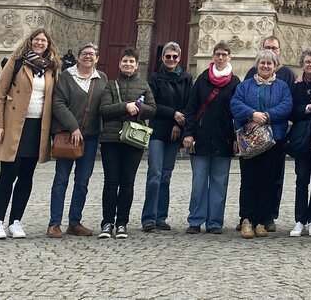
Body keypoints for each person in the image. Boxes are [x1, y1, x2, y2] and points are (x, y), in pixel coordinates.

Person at [0, 28, 57, 240]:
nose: (40, 43)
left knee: (27, 177)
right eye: (37, 39)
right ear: (30, 41)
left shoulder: (52, 68)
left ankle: (16, 221)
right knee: (8, 175)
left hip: (37, 128)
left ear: (48, 44)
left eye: (43, 41)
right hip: (14, 125)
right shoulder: (16, 62)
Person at [47, 43, 106, 238]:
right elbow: (58, 103)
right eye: (84, 54)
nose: (88, 57)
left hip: (90, 138)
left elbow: (105, 105)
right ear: (78, 57)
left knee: (82, 181)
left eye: (92, 54)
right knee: (61, 180)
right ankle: (54, 223)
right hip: (67, 136)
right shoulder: (67, 76)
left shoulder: (102, 78)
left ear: (97, 58)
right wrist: (73, 127)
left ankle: (75, 222)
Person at [232, 49, 293, 237]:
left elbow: (286, 105)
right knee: (248, 180)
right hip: (250, 141)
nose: (265, 66)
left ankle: (262, 221)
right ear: (256, 66)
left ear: (275, 66)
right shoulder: (245, 85)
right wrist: (252, 114)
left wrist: (266, 116)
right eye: (262, 63)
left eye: (269, 63)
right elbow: (235, 103)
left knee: (267, 180)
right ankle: (247, 219)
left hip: (273, 140)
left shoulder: (282, 86)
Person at [181, 43, 239, 233]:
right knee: (199, 181)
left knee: (219, 182)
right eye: (217, 54)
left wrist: (237, 137)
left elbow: (237, 112)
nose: (220, 58)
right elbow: (191, 108)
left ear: (229, 57)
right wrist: (188, 133)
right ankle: (195, 220)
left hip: (224, 139)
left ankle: (215, 222)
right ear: (213, 57)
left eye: (224, 55)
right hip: (201, 137)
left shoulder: (235, 82)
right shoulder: (202, 79)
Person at [98, 47, 156, 238]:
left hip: (134, 139)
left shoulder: (144, 85)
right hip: (111, 139)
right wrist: (125, 106)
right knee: (110, 182)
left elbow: (152, 109)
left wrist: (138, 108)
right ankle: (107, 223)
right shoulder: (110, 85)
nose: (128, 64)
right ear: (119, 64)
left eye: (131, 61)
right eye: (125, 61)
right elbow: (104, 110)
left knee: (128, 182)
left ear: (137, 65)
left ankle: (122, 223)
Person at [139, 41, 191, 233]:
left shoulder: (186, 78)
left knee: (166, 176)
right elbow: (152, 105)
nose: (171, 60)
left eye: (174, 57)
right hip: (158, 131)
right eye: (167, 57)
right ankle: (148, 218)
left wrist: (179, 124)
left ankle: (161, 217)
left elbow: (189, 103)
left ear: (179, 58)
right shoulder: (155, 78)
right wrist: (173, 114)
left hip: (175, 132)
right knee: (155, 174)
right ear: (162, 58)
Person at [288, 48, 311, 237]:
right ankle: (300, 220)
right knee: (301, 180)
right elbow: (291, 111)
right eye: (308, 61)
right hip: (302, 139)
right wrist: (309, 107)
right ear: (302, 64)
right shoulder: (296, 86)